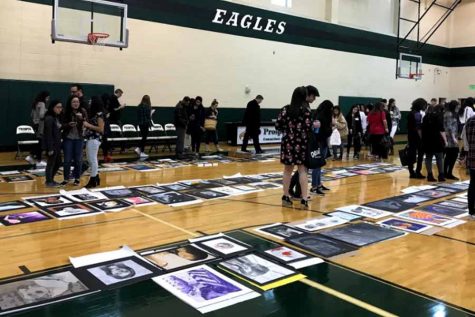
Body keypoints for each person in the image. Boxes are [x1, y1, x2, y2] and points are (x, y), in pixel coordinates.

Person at [275, 87, 313, 209]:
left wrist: (288, 131)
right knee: (302, 171)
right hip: (301, 143)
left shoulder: (285, 109)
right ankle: (304, 199)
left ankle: (285, 196)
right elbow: (309, 128)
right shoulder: (306, 111)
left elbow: (278, 125)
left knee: (287, 171)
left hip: (288, 143)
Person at [288, 85, 319, 199]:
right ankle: (299, 193)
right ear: (307, 95)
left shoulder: (293, 107)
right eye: (313, 96)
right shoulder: (304, 108)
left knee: (295, 169)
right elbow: (306, 125)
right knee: (302, 169)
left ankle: (293, 192)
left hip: (293, 142)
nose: (314, 99)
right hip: (302, 142)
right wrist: (313, 125)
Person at [61, 96, 88, 186]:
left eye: (77, 102)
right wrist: (68, 125)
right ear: (70, 103)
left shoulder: (83, 111)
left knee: (78, 159)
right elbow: (62, 125)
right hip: (68, 138)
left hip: (79, 138)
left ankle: (77, 178)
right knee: (67, 159)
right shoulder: (65, 111)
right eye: (74, 102)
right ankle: (66, 178)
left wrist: (81, 119)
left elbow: (86, 124)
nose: (76, 103)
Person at [310, 100, 333, 196]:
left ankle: (318, 184)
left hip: (322, 142)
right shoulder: (321, 117)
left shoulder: (320, 115)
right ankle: (314, 186)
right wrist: (331, 128)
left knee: (320, 164)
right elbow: (319, 131)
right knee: (317, 165)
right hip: (319, 142)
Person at [83, 96, 105, 188]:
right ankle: (96, 178)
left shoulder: (100, 114)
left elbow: (101, 129)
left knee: (93, 160)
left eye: (91, 101)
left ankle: (93, 180)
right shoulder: (94, 113)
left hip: (94, 138)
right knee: (91, 160)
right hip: (90, 138)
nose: (89, 102)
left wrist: (88, 125)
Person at [422, 104, 447, 182]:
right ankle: (441, 175)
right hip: (437, 139)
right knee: (439, 157)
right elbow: (441, 130)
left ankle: (430, 175)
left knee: (428, 157)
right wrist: (445, 140)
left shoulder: (425, 117)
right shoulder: (438, 117)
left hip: (427, 140)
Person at [42, 100, 63, 187]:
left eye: (61, 107)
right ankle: (49, 181)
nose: (60, 109)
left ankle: (51, 179)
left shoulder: (55, 117)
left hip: (57, 144)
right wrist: (50, 148)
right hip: (52, 145)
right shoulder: (49, 118)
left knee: (58, 162)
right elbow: (48, 134)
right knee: (51, 163)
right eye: (57, 107)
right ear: (52, 108)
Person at [26, 91, 49, 167]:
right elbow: (42, 115)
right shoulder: (42, 104)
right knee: (40, 143)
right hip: (40, 125)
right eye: (48, 97)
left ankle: (31, 156)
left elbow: (31, 114)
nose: (48, 99)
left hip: (35, 124)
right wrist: (47, 112)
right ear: (45, 97)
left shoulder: (35, 103)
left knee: (37, 142)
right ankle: (38, 160)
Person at [407, 98, 426, 179]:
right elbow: (418, 128)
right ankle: (418, 171)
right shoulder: (417, 114)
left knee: (411, 154)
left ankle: (411, 172)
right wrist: (422, 138)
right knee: (420, 155)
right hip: (417, 137)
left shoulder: (410, 113)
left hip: (410, 136)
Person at [444, 100, 460, 180]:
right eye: (457, 105)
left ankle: (448, 172)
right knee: (452, 155)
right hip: (450, 138)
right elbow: (449, 127)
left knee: (450, 155)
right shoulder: (449, 114)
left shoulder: (452, 113)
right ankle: (447, 173)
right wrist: (453, 138)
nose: (459, 107)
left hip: (452, 137)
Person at [464, 114, 475, 220]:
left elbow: (465, 139)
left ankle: (471, 210)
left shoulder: (470, 120)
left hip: (472, 157)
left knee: (473, 184)